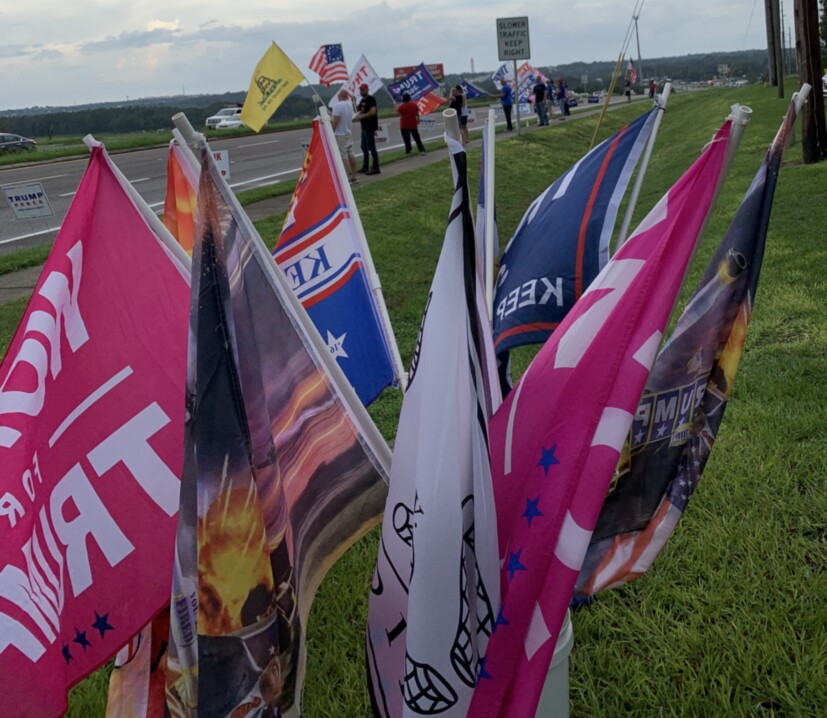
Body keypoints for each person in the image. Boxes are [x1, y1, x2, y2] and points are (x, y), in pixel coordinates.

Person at [331, 89, 358, 183]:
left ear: (340, 96)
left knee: (344, 156)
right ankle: (354, 175)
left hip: (340, 134)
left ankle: (346, 178)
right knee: (351, 154)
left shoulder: (337, 106)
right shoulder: (349, 105)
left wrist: (331, 131)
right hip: (348, 132)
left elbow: (336, 121)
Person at [353, 83, 380, 175]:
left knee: (371, 147)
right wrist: (353, 102)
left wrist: (362, 116)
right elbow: (357, 110)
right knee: (364, 147)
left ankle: (376, 167)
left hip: (370, 126)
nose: (362, 91)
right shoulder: (362, 101)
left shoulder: (371, 99)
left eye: (363, 90)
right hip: (364, 127)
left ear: (367, 90)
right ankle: (365, 166)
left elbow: (373, 112)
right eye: (360, 90)